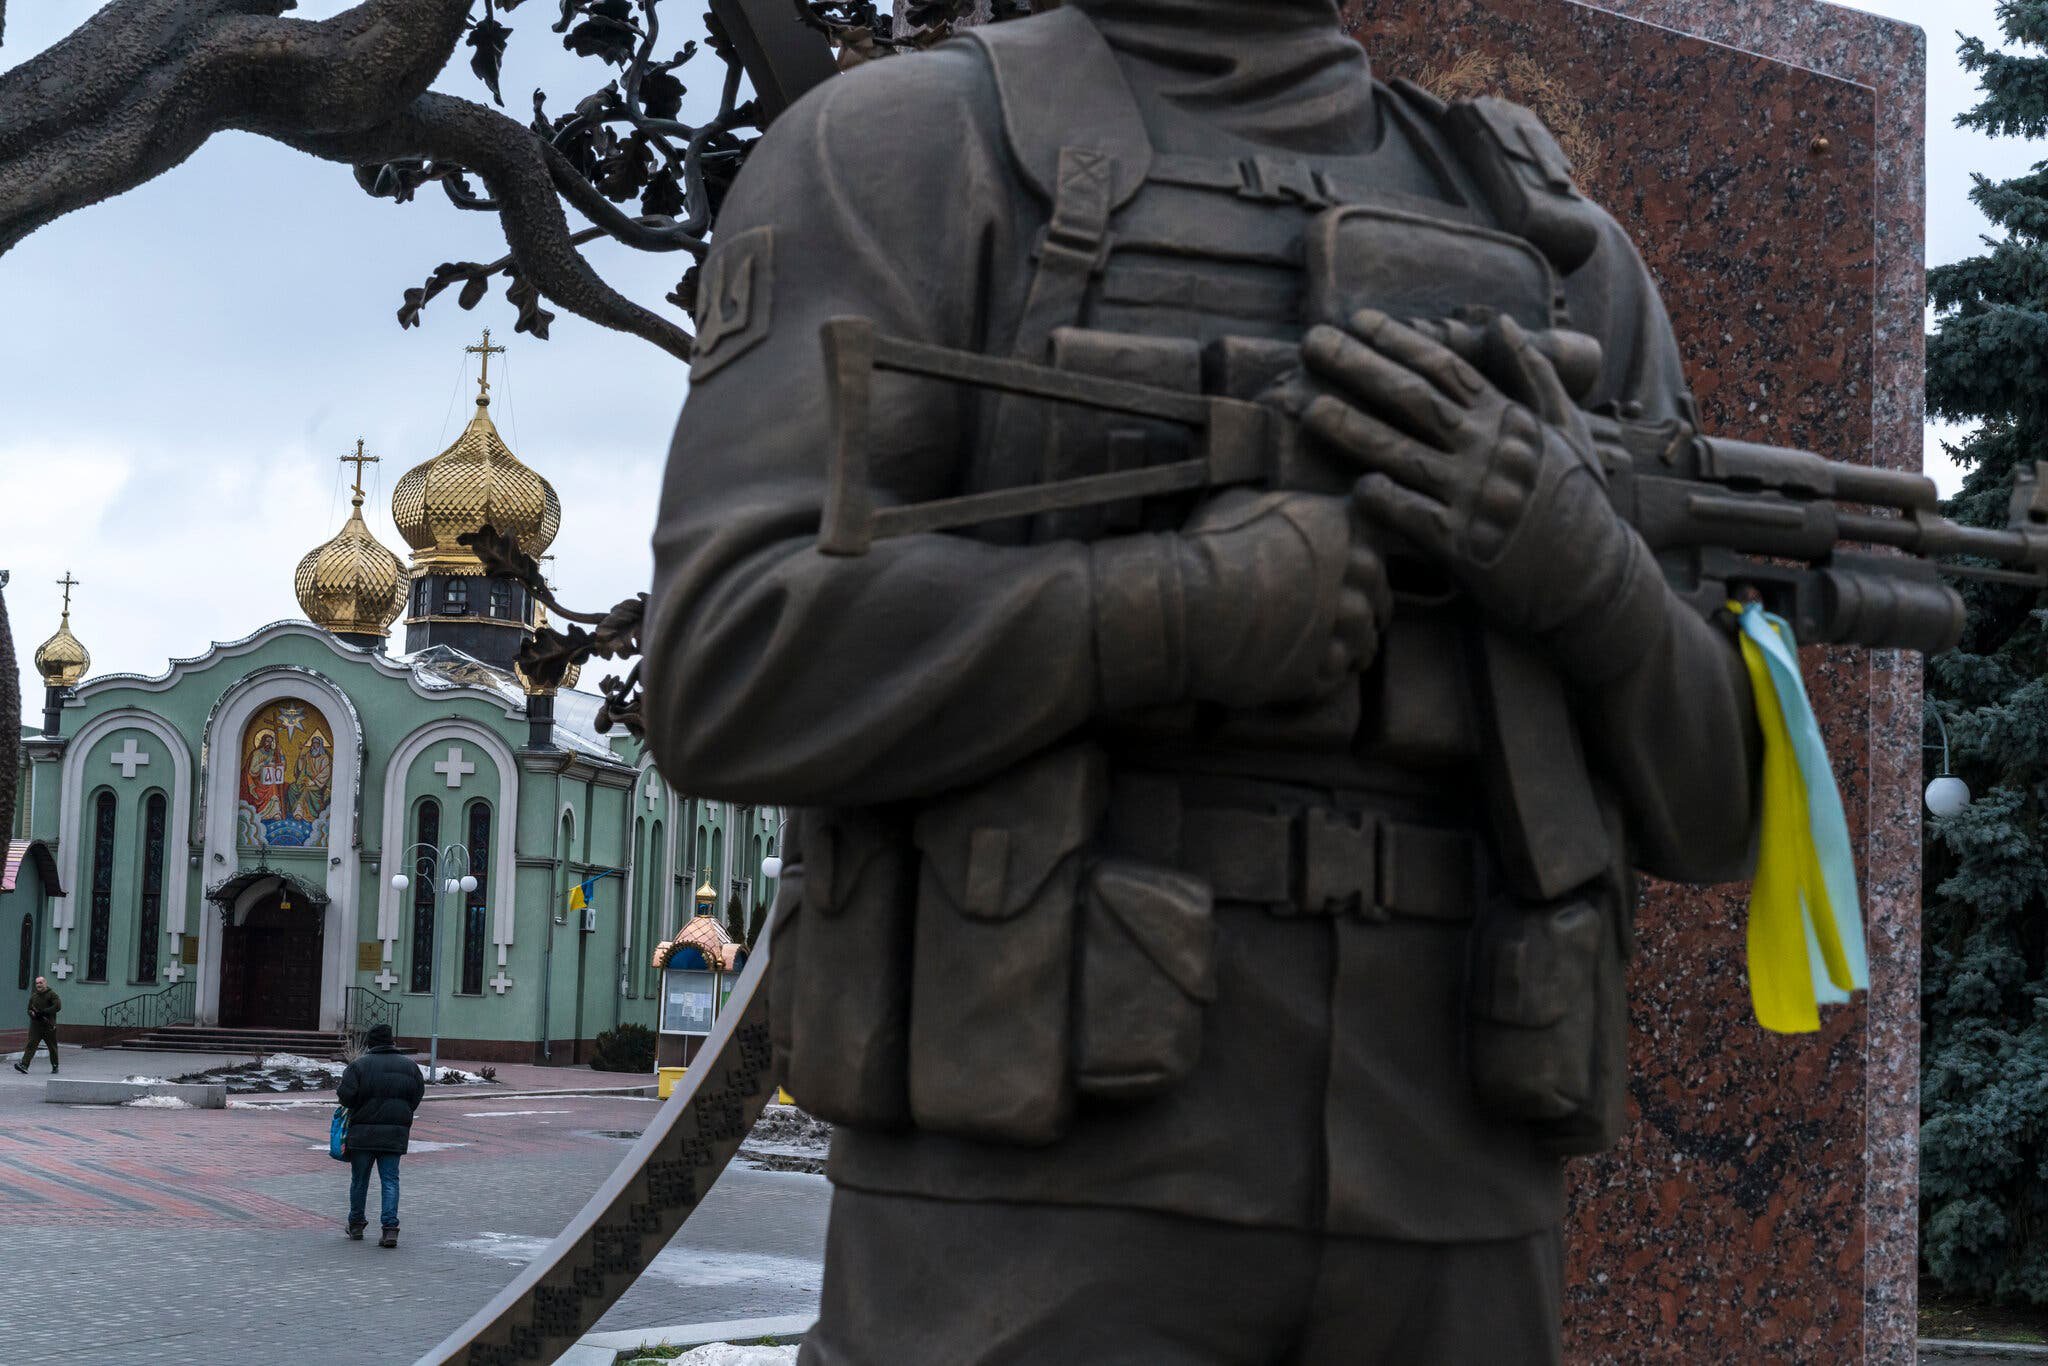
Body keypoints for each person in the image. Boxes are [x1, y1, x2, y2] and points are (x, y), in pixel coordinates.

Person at [644, 1, 1759, 1360]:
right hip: (1031, 1208)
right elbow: (729, 659)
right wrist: (1170, 612)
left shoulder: (1554, 241)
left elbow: (1721, 807)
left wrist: (1586, 573)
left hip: (1456, 1205)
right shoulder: (906, 150)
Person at [336, 1023, 424, 1247]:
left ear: (370, 1043)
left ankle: (356, 1224)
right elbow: (416, 1096)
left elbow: (345, 1097)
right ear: (392, 1041)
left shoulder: (358, 1066)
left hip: (362, 1134)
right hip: (394, 1133)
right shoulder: (410, 1067)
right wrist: (402, 1113)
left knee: (360, 1180)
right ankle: (390, 1229)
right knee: (390, 1180)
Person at [14, 975, 59, 1074]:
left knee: (52, 1047)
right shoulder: (34, 997)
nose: (39, 985)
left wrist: (44, 1012)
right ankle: (24, 1065)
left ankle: (55, 1065)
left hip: (49, 1026)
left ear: (45, 983)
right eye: (37, 983)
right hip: (36, 1026)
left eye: (41, 983)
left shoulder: (52, 995)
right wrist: (33, 1014)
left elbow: (57, 1006)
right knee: (31, 1045)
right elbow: (29, 1009)